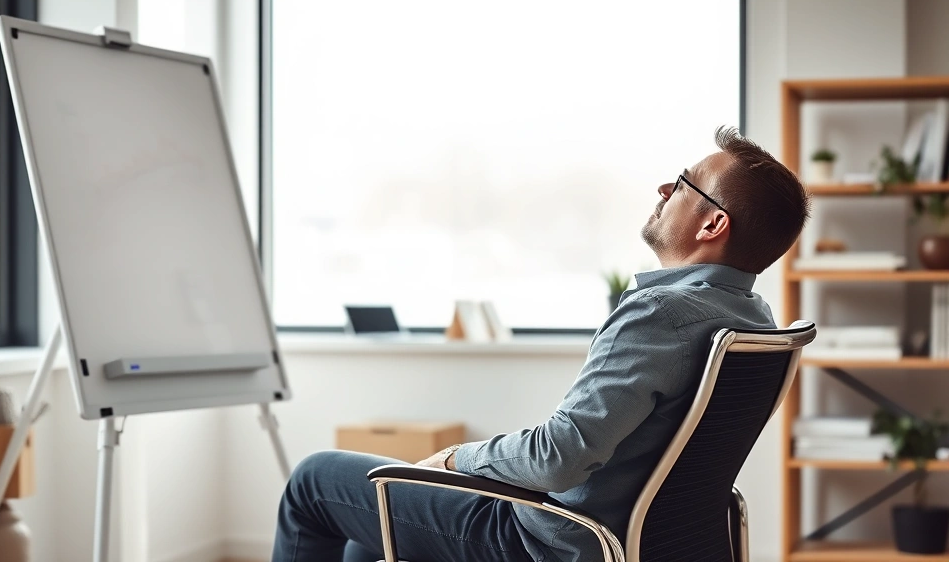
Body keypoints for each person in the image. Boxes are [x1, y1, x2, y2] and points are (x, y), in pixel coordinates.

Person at [271, 127, 811, 562]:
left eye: (683, 184)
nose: (664, 191)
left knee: (315, 480)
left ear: (713, 222)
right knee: (372, 526)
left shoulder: (661, 314)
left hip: (551, 541)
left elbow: (558, 457)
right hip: (654, 541)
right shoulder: (752, 320)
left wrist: (458, 459)